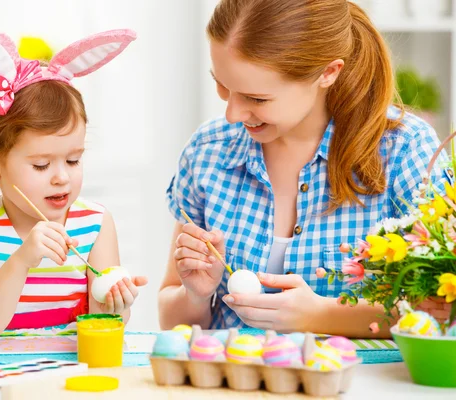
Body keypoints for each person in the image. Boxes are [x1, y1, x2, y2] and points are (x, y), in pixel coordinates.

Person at [159, 0, 452, 338]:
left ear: (328, 72)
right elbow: (173, 319)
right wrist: (196, 293)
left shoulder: (403, 149)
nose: (233, 114)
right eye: (223, 85)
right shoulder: (208, 150)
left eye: (257, 99)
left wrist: (322, 316)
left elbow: (441, 309)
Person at [0, 19, 147, 342]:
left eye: (73, 159)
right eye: (41, 165)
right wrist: (23, 258)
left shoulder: (95, 225)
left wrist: (115, 305)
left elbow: (100, 324)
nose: (62, 177)